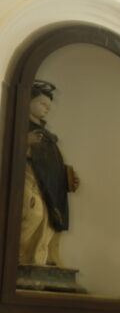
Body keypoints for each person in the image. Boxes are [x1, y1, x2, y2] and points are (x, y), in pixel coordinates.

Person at [19, 78, 76, 274]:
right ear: (28, 101)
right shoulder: (18, 127)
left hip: (47, 185)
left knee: (49, 222)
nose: (46, 109)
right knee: (33, 215)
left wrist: (67, 175)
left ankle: (37, 262)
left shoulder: (46, 134)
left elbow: (53, 160)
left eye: (48, 106)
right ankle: (16, 258)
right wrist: (25, 142)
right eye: (42, 103)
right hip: (28, 179)